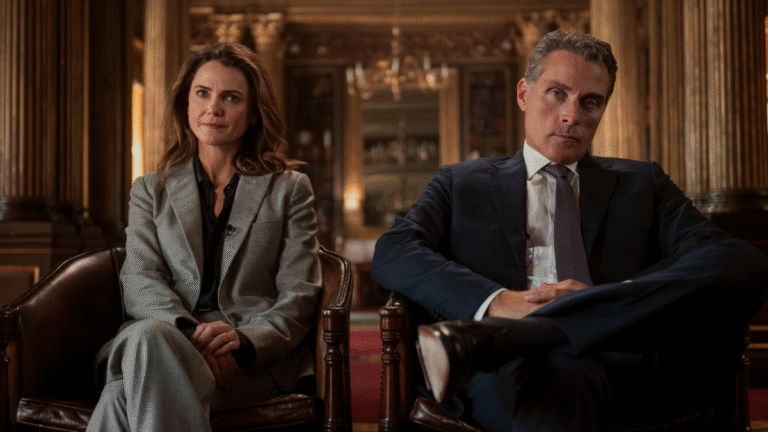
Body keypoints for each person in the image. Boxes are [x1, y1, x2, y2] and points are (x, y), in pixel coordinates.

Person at [370, 30, 768, 432]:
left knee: (746, 263)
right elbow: (394, 250)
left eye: (590, 102)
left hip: (619, 357)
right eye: (557, 94)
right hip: (507, 371)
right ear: (524, 94)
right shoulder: (460, 183)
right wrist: (497, 303)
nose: (571, 116)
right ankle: (522, 337)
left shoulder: (643, 183)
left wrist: (602, 301)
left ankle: (517, 334)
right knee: (564, 382)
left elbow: (728, 260)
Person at [86, 43, 322, 432]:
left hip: (247, 364)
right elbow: (140, 279)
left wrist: (242, 342)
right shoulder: (150, 190)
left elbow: (299, 295)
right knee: (151, 339)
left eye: (231, 97)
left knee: (121, 394)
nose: (213, 108)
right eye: (202, 93)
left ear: (253, 113)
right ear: (186, 104)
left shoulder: (289, 189)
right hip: (164, 337)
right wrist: (190, 335)